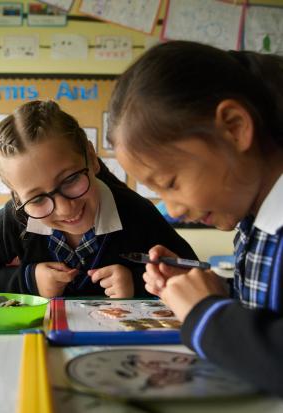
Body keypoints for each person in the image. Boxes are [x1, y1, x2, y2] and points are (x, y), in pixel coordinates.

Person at [107, 40, 283, 396]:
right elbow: (267, 309)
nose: (172, 210)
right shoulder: (254, 223)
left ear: (234, 127)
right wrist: (206, 289)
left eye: (170, 183)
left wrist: (208, 313)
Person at [0, 100, 197, 299]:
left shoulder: (135, 212)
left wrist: (137, 281)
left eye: (70, 180)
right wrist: (28, 280)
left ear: (91, 156)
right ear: (15, 195)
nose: (65, 208)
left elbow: (191, 274)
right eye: (37, 198)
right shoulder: (15, 218)